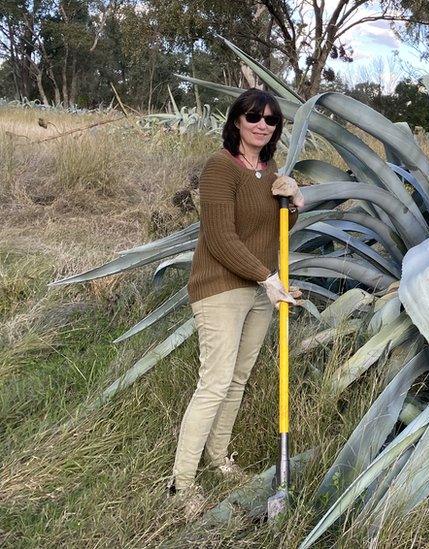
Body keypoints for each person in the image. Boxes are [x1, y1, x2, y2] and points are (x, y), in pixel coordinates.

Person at [167, 88, 305, 518]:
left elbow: (275, 227)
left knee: (239, 377)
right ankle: (181, 484)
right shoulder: (219, 169)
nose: (263, 125)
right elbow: (221, 238)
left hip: (261, 289)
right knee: (215, 381)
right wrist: (267, 278)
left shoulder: (268, 170)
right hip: (222, 288)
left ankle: (219, 458)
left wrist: (295, 201)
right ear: (236, 122)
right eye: (254, 117)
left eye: (271, 120)